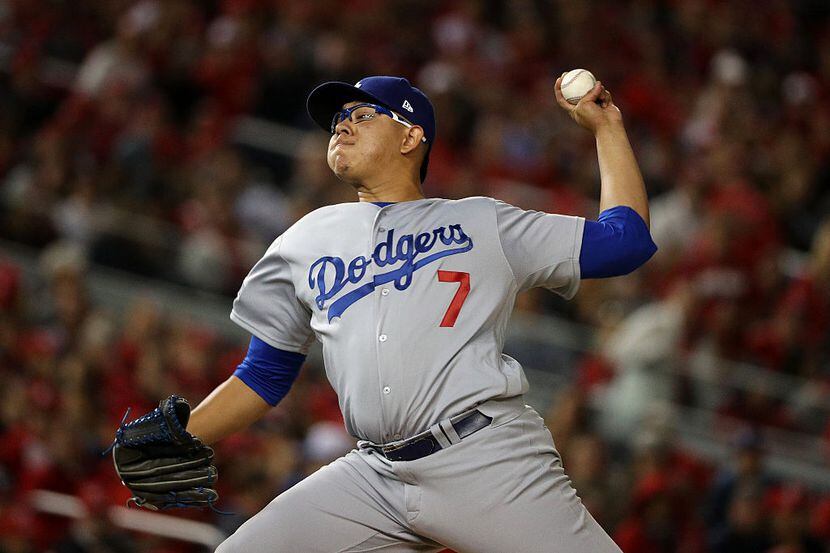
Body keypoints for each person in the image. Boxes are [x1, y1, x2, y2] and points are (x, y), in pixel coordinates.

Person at [188, 74, 656, 552]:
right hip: (374, 475)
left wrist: (607, 129)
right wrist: (186, 437)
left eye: (363, 115)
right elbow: (265, 374)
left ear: (411, 137)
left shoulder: (483, 222)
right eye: (338, 119)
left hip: (486, 460)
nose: (342, 126)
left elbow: (626, 243)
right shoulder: (304, 242)